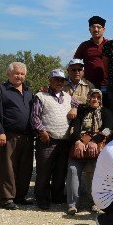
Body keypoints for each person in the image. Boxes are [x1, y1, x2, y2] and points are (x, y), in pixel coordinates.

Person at [0, 62, 34, 210]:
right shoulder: (0, 90)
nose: (19, 76)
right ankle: (6, 199)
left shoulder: (29, 92)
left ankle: (20, 196)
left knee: (25, 169)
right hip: (8, 135)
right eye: (16, 73)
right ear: (8, 74)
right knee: (7, 168)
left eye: (22, 74)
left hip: (28, 136)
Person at [31, 69, 75, 210]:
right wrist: (42, 131)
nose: (59, 82)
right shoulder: (41, 95)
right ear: (50, 80)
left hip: (64, 140)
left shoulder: (68, 97)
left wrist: (75, 108)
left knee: (60, 171)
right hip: (47, 139)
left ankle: (57, 196)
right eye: (56, 79)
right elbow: (34, 117)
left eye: (62, 80)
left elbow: (82, 104)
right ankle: (42, 198)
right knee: (44, 170)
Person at [65, 88, 113, 215]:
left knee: (95, 171)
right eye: (93, 97)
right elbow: (74, 128)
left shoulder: (106, 112)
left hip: (97, 147)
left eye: (98, 97)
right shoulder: (81, 111)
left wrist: (95, 141)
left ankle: (95, 202)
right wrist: (77, 142)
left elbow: (108, 128)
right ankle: (73, 204)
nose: (95, 99)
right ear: (88, 97)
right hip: (80, 145)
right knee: (73, 170)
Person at [73, 15, 108, 90]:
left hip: (107, 84)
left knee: (107, 102)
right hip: (88, 84)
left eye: (98, 27)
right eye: (93, 27)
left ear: (103, 29)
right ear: (89, 29)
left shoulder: (110, 44)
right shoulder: (84, 45)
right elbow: (75, 63)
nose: (96, 29)